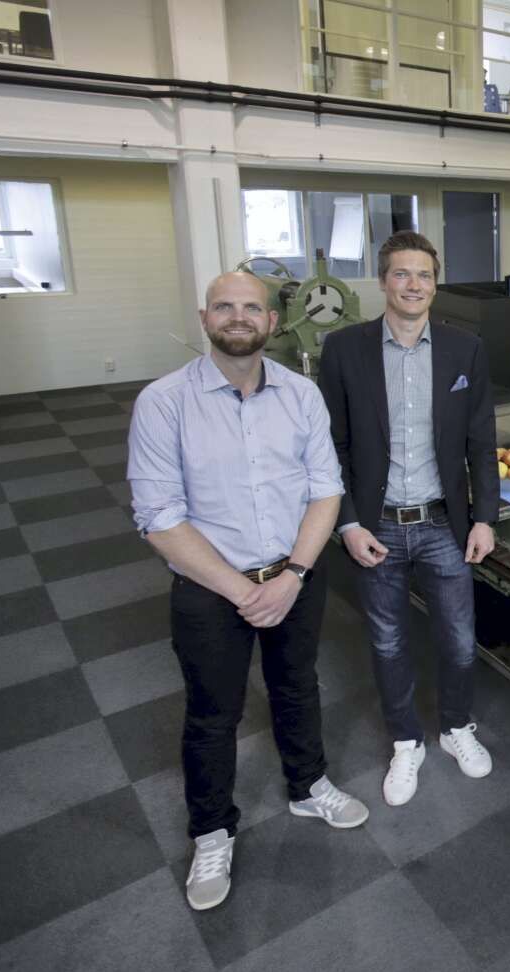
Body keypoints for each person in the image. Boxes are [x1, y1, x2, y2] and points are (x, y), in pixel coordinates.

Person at [129, 271, 368, 912]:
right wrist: (243, 590)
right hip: (210, 587)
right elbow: (159, 517)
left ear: (271, 321)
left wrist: (293, 576)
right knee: (214, 714)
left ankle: (308, 786)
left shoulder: (301, 394)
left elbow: (325, 488)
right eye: (224, 307)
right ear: (205, 318)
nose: (239, 317)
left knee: (297, 687)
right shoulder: (163, 402)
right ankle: (212, 831)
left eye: (251, 308)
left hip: (294, 575)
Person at [318, 231, 499, 809]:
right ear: (382, 281)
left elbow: (481, 442)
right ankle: (405, 742)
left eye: (423, 275)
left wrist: (484, 518)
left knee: (461, 643)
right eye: (401, 274)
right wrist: (348, 524)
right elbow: (330, 448)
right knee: (389, 643)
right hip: (378, 526)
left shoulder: (465, 350)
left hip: (445, 523)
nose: (413, 285)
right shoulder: (344, 349)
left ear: (435, 284)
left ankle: (456, 727)